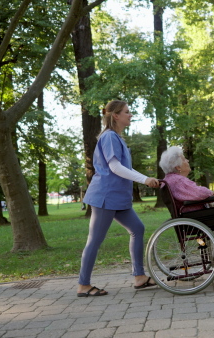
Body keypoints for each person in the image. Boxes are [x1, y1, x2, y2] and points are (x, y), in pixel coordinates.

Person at [77, 100, 160, 297]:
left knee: (137, 229)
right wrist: (144, 179)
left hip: (118, 198)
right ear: (115, 115)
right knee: (95, 241)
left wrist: (145, 178)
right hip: (105, 197)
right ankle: (83, 285)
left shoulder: (118, 138)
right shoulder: (109, 137)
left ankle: (139, 277)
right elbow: (115, 167)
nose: (130, 115)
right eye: (127, 112)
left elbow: (127, 168)